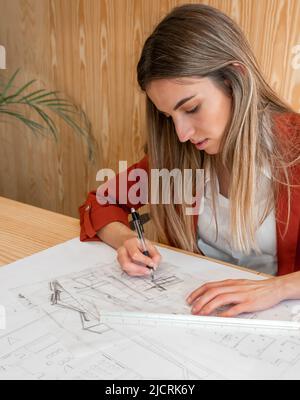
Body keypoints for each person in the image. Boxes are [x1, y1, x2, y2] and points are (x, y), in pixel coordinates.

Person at [79, 4, 300, 317]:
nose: (182, 133)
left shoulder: (296, 146)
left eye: (192, 108)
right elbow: (101, 203)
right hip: (197, 318)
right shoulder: (178, 153)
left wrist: (278, 288)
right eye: (169, 117)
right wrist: (126, 240)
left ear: (235, 78)